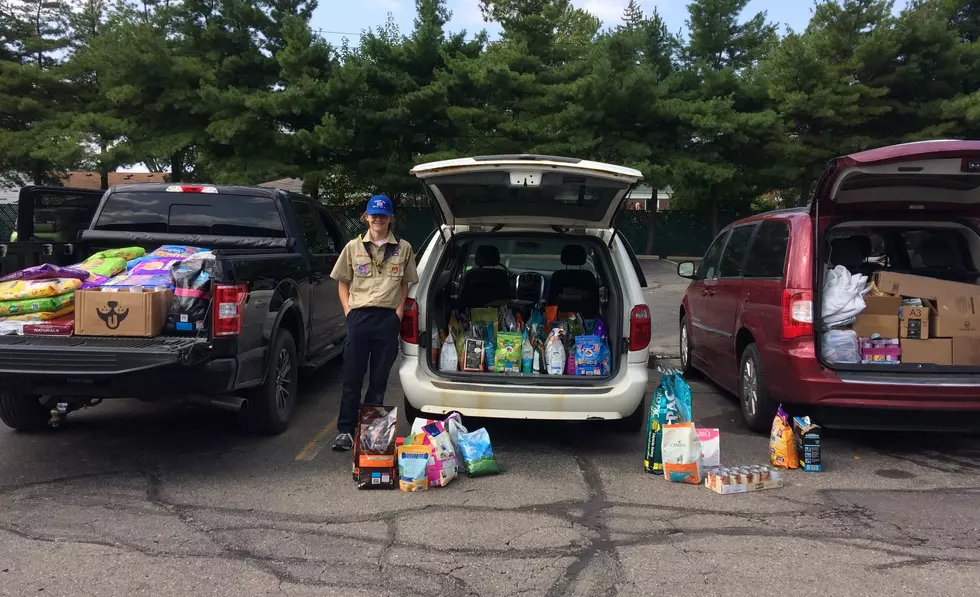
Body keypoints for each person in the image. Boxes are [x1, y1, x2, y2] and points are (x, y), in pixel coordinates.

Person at [330, 195, 419, 451]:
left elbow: (405, 284)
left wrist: (398, 314)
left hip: (387, 318)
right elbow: (342, 282)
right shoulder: (353, 247)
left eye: (383, 215)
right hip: (359, 316)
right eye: (374, 215)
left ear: (390, 218)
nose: (378, 219)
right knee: (352, 377)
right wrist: (348, 311)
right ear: (366, 217)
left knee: (379, 380)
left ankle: (373, 435)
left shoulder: (403, 248)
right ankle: (345, 431)